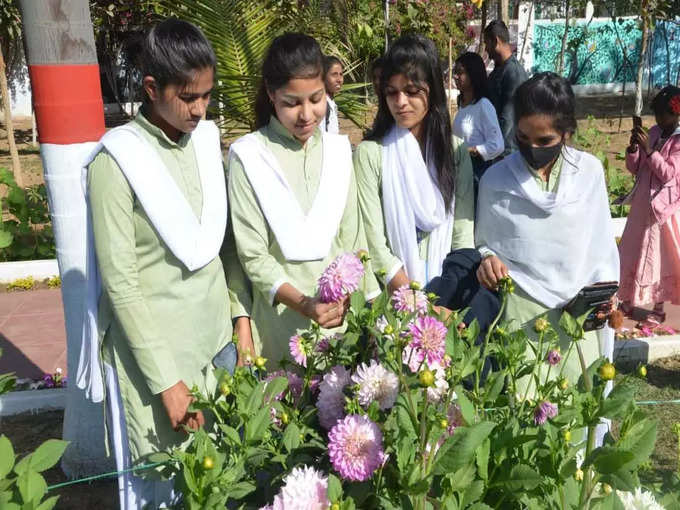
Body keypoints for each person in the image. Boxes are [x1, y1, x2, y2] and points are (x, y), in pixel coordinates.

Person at [80, 19, 252, 509]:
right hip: (159, 364)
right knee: (167, 490)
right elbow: (122, 285)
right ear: (152, 88)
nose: (199, 109)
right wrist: (167, 383)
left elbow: (224, 247)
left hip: (216, 342)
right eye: (188, 96)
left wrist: (239, 318)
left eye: (206, 96)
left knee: (225, 480)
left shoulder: (204, 140)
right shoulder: (116, 163)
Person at [227, 33, 378, 364]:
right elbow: (252, 256)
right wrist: (306, 305)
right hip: (281, 327)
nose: (307, 114)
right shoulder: (249, 156)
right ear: (271, 94)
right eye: (292, 103)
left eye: (316, 98)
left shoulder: (339, 152)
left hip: (343, 324)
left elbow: (354, 241)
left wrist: (358, 307)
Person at [476, 72, 619, 392]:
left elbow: (600, 246)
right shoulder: (495, 180)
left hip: (578, 320)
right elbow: (484, 243)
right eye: (523, 139)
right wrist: (486, 260)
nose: (532, 149)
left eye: (545, 142)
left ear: (567, 133)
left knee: (579, 415)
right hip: (521, 315)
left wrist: (605, 296)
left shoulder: (589, 173)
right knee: (525, 415)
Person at [354, 34, 475, 292]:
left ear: (432, 90)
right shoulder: (371, 154)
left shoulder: (456, 151)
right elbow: (374, 242)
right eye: (391, 92)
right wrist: (410, 299)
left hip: (447, 294)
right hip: (393, 297)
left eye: (411, 91)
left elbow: (463, 234)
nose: (400, 102)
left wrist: (443, 299)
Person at [618, 85, 680, 325]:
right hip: (642, 203)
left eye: (663, 114)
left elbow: (669, 174)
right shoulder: (654, 132)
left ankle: (659, 306)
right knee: (632, 250)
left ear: (675, 114)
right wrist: (634, 150)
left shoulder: (677, 141)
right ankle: (627, 299)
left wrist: (649, 150)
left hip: (662, 211)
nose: (658, 119)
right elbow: (635, 168)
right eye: (656, 114)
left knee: (658, 257)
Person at [452, 51, 504, 201]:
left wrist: (472, 150)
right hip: (460, 173)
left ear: (473, 75)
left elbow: (497, 144)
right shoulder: (462, 105)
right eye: (455, 72)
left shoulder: (484, 106)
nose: (455, 76)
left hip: (476, 176)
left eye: (460, 72)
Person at [483, 20, 528, 157]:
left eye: (487, 43)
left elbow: (508, 119)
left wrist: (494, 151)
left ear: (496, 41)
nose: (485, 49)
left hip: (506, 152)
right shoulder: (499, 70)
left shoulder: (513, 73)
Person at [321, 55, 343, 133]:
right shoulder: (322, 106)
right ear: (323, 77)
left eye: (341, 74)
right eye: (334, 74)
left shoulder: (331, 103)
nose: (339, 79)